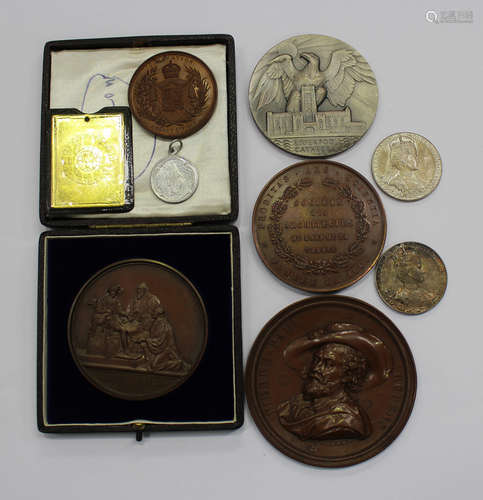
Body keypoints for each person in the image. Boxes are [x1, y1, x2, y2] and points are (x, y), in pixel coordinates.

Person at [278, 323, 392, 441]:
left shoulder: (350, 421)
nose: (316, 368)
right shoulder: (291, 407)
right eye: (317, 360)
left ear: (348, 375)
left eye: (329, 364)